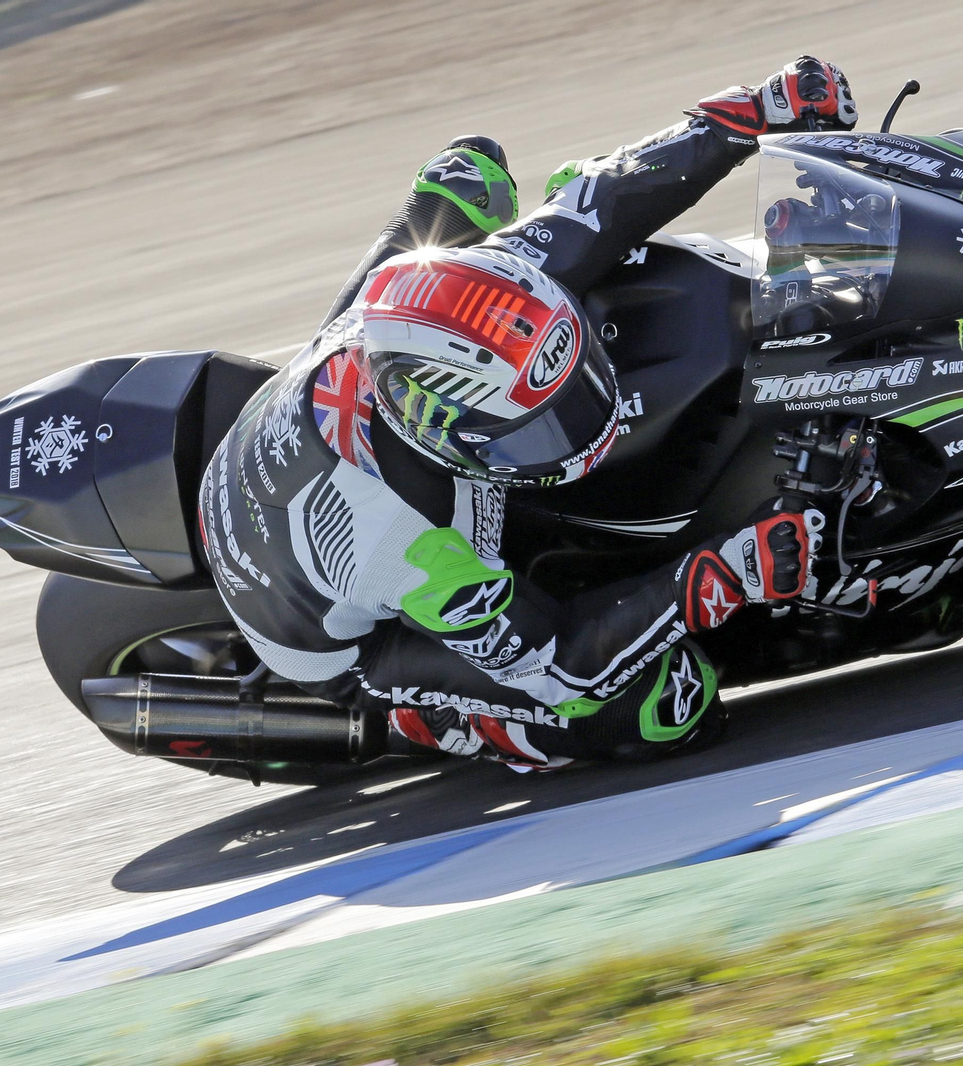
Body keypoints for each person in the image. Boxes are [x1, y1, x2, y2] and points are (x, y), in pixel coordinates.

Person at [198, 57, 857, 769]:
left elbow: (603, 200)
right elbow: (563, 667)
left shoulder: (470, 287)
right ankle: (436, 723)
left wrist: (749, 114)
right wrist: (718, 575)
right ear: (444, 434)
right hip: (330, 634)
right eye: (538, 428)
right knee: (662, 706)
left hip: (303, 428)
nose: (584, 428)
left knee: (471, 174)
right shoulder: (412, 546)